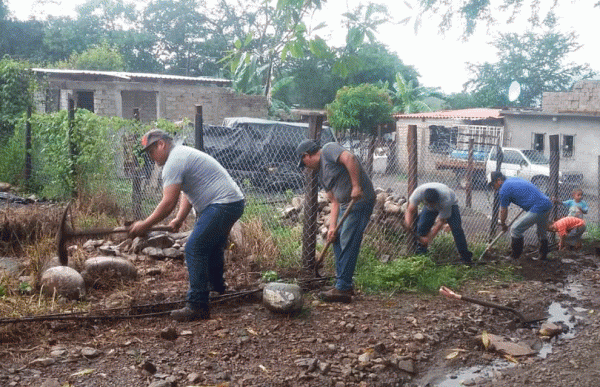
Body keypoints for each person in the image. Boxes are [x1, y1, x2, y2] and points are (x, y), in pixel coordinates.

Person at [129, 129, 245, 321]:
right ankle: (217, 289)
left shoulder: (174, 160)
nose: (150, 157)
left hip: (221, 204)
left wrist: (145, 224)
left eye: (151, 151)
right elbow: (186, 191)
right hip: (231, 203)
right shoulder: (181, 155)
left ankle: (197, 305)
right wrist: (180, 218)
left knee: (194, 248)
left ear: (161, 144)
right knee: (213, 246)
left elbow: (168, 203)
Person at [296, 139, 375, 303]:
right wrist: (332, 228)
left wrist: (355, 186)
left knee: (348, 240)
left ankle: (343, 288)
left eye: (303, 163)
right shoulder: (321, 175)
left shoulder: (328, 150)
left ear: (306, 155)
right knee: (337, 239)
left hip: (360, 201)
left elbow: (350, 158)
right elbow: (334, 201)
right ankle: (343, 282)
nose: (305, 168)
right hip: (345, 206)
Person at [404, 182, 473, 264]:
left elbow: (441, 221)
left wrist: (429, 238)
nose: (433, 207)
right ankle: (421, 256)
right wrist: (408, 225)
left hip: (452, 205)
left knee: (456, 229)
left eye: (433, 205)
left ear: (437, 201)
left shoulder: (446, 200)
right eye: (430, 204)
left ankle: (466, 258)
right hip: (430, 203)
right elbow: (410, 210)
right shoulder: (418, 193)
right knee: (422, 226)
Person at [488, 171, 552, 260]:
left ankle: (515, 256)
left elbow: (503, 211)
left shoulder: (503, 190)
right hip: (547, 203)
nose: (493, 188)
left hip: (539, 206)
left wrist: (503, 224)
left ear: (499, 180)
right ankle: (543, 255)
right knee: (541, 232)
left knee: (515, 229)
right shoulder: (512, 179)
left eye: (492, 184)